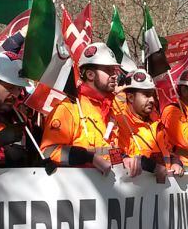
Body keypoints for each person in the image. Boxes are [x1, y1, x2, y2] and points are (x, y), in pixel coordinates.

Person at [41, 43, 139, 176]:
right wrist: (88, 158)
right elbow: (49, 151)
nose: (115, 75)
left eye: (114, 70)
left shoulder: (109, 109)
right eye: (108, 70)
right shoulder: (69, 108)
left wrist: (123, 160)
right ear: (90, 75)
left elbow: (109, 149)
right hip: (77, 190)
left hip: (108, 189)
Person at [114, 69, 182, 182]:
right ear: (130, 97)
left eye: (152, 95)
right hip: (135, 193)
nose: (152, 100)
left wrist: (176, 163)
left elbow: (169, 152)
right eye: (146, 95)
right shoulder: (121, 124)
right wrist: (152, 167)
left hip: (163, 191)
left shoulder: (157, 124)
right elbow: (118, 159)